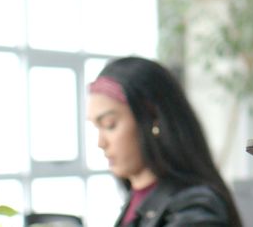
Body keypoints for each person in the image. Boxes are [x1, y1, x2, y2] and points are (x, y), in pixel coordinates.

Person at [87, 57, 243, 227]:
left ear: (152, 116)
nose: (101, 143)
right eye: (97, 127)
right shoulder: (136, 199)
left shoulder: (193, 207)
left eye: (109, 125)